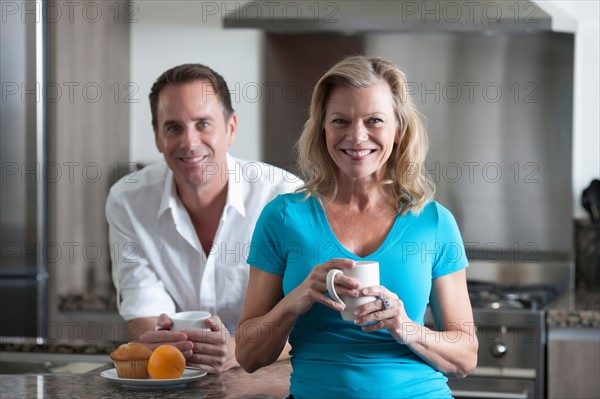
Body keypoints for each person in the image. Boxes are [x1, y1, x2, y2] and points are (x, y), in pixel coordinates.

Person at [235, 55, 478, 398]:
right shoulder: (283, 217)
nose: (357, 136)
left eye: (374, 120)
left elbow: (466, 357)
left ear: (399, 130)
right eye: (340, 121)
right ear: (323, 129)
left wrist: (405, 326)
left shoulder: (434, 222)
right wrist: (296, 298)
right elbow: (248, 355)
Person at [106, 63, 300, 372]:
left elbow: (311, 319)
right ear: (157, 137)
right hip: (179, 375)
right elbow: (143, 308)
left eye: (203, 124)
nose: (189, 142)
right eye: (173, 128)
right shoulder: (127, 200)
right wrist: (155, 341)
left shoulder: (286, 197)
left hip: (274, 375)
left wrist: (241, 351)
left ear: (231, 128)